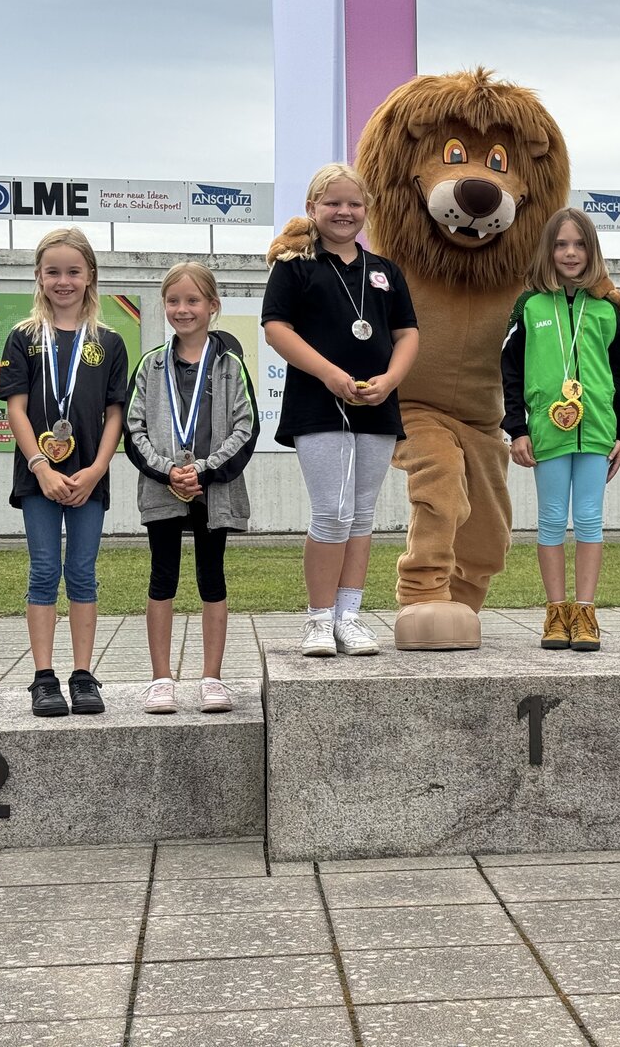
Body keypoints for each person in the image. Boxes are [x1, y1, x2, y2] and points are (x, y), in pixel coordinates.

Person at [262, 163, 419, 656]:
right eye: (332, 203)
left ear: (367, 209)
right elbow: (276, 329)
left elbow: (407, 334)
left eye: (353, 203)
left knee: (362, 514)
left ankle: (349, 617)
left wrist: (391, 380)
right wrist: (329, 373)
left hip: (376, 404)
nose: (344, 212)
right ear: (313, 208)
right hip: (318, 405)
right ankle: (318, 618)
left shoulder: (385, 271)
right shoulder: (294, 266)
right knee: (331, 512)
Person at [0, 228, 128, 717]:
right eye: (53, 271)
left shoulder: (109, 342)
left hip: (88, 476)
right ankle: (43, 678)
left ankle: (82, 675)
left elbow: (115, 414)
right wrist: (40, 466)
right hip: (38, 477)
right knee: (44, 570)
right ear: (39, 276)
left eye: (73, 271)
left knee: (82, 572)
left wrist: (96, 469)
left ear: (90, 275)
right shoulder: (24, 337)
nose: (63, 281)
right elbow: (15, 408)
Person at [126, 262, 258, 713]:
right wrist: (168, 472)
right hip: (163, 488)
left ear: (212, 306)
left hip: (212, 490)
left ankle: (212, 678)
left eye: (192, 300)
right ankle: (160, 679)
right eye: (173, 301)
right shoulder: (151, 365)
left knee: (211, 578)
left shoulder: (230, 365)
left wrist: (203, 471)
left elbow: (245, 428)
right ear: (164, 306)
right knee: (162, 576)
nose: (182, 309)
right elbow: (134, 429)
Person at [502, 208, 620, 651]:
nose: (571, 253)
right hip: (547, 430)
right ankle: (556, 612)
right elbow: (510, 371)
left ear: (592, 250)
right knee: (552, 519)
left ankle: (586, 612)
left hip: (597, 430)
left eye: (579, 245)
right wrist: (517, 428)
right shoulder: (529, 305)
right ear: (548, 250)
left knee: (591, 518)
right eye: (561, 245)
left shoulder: (608, 308)